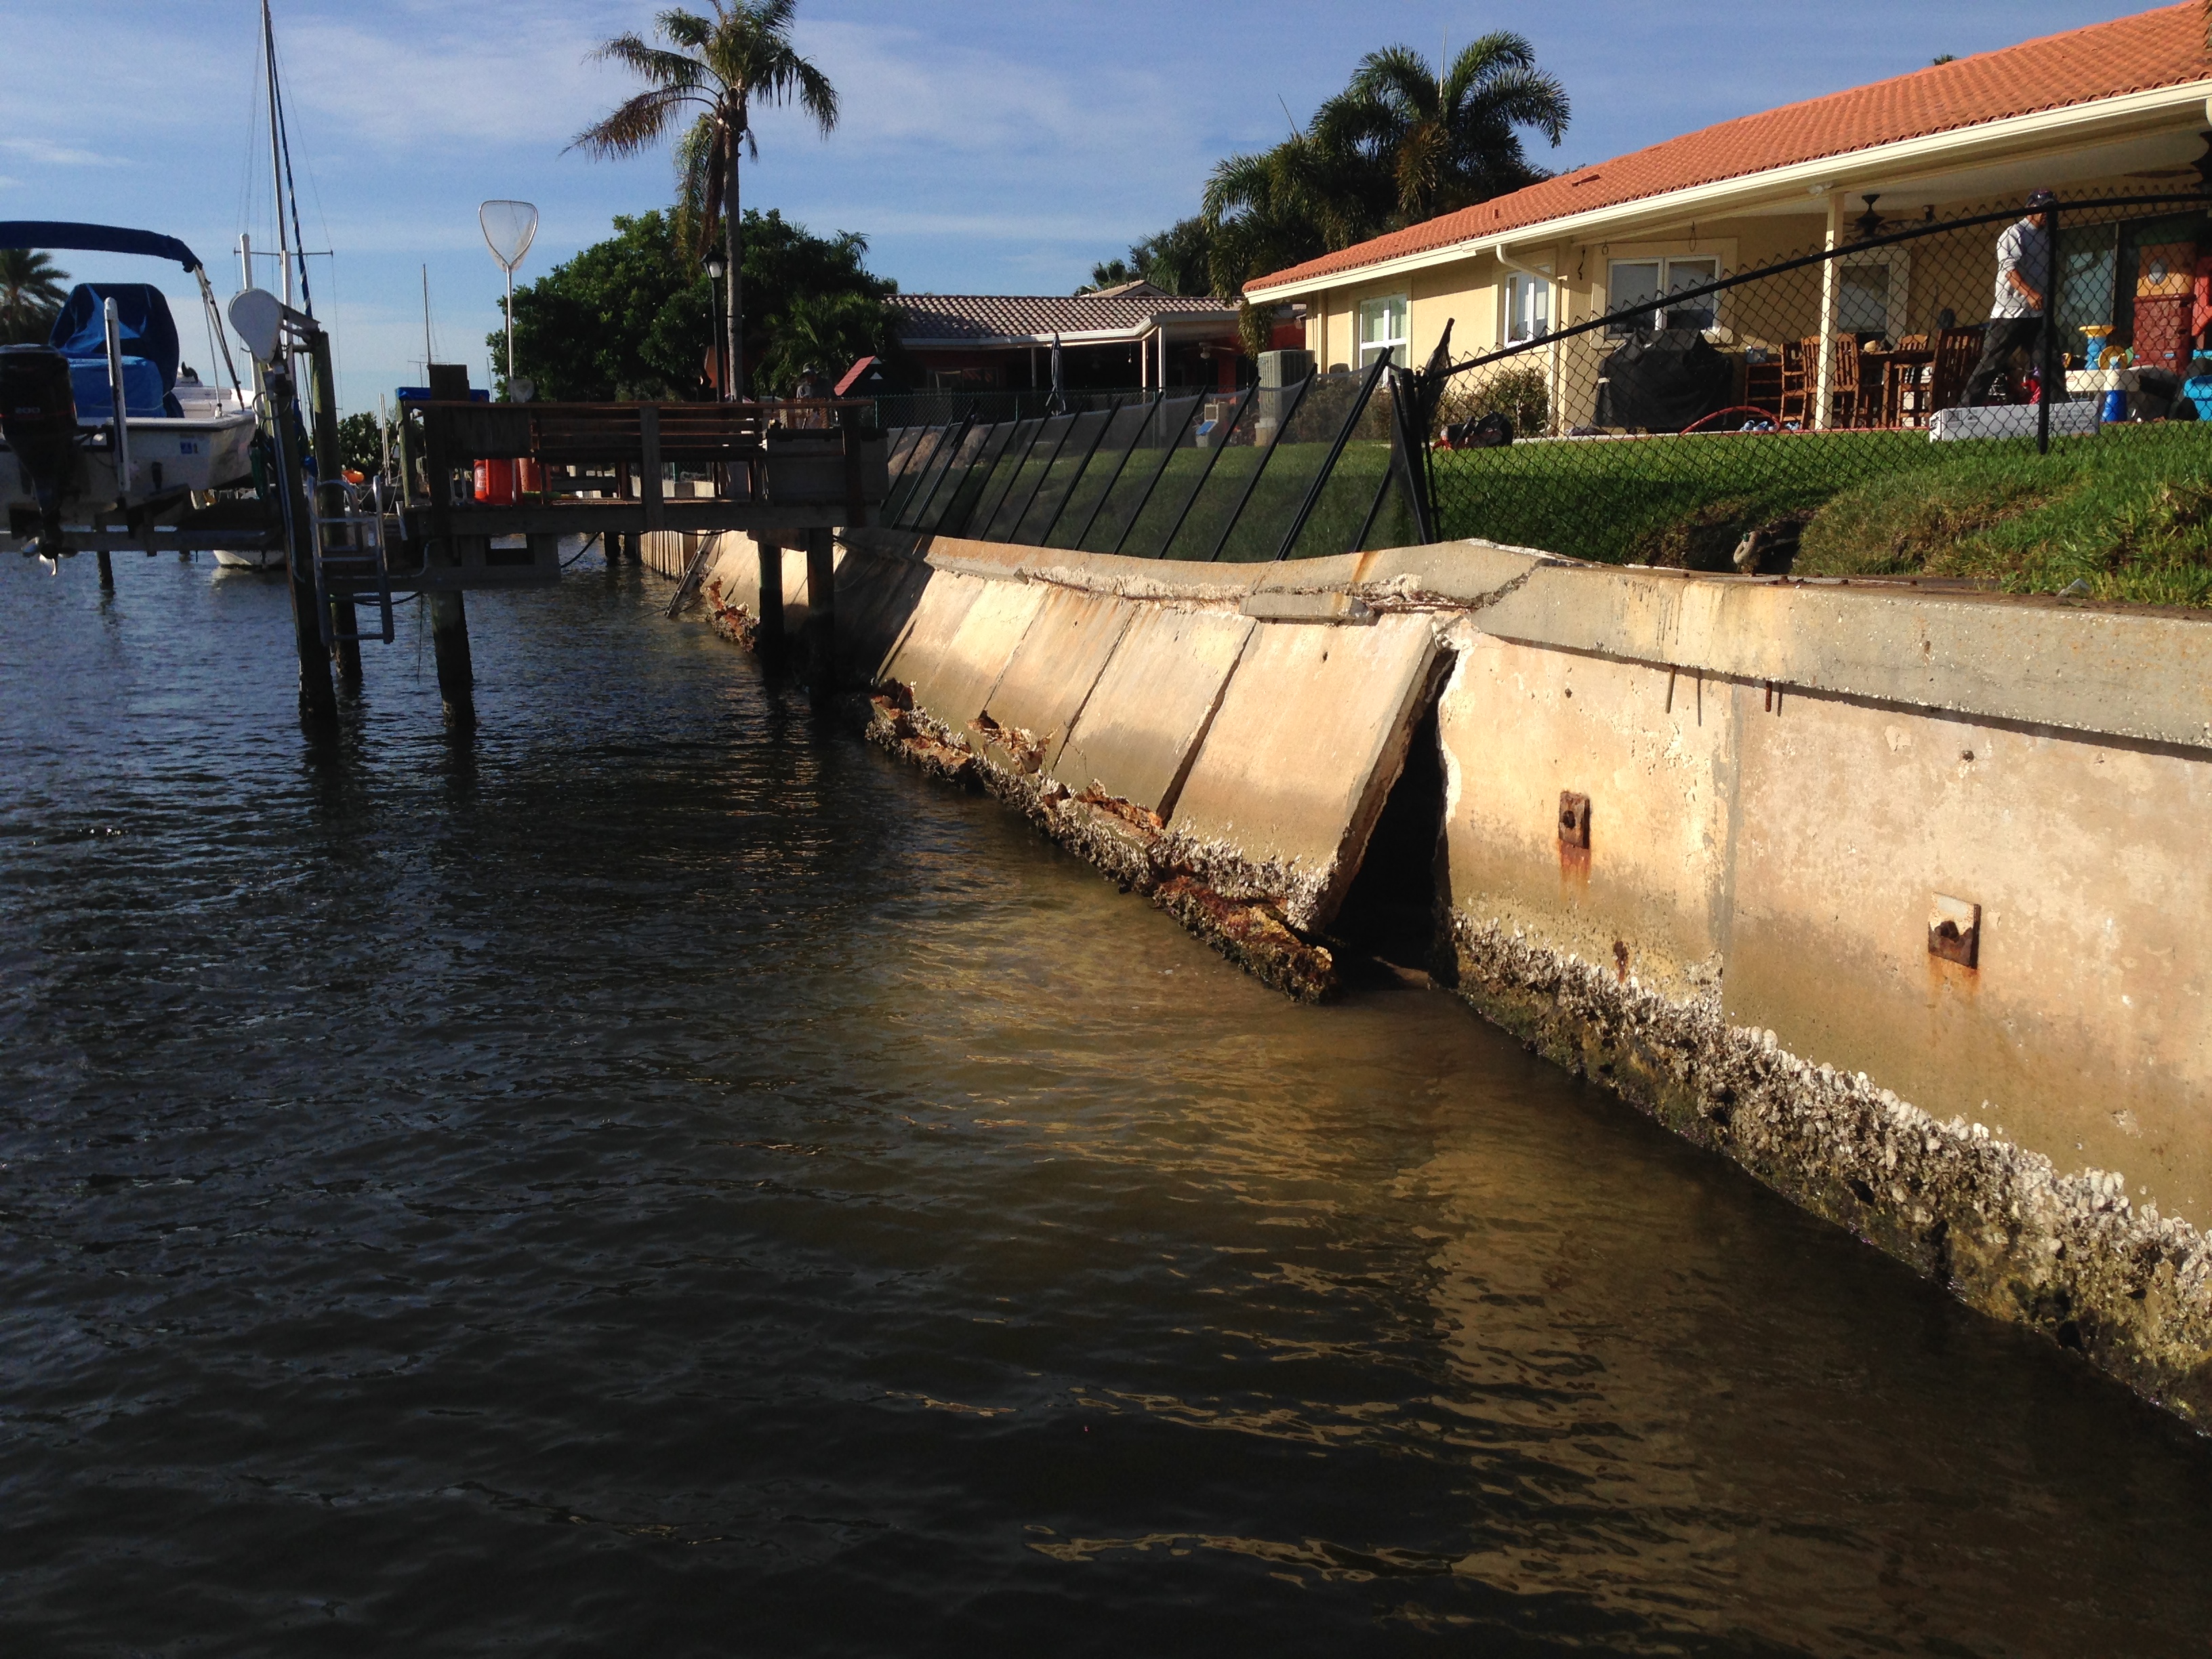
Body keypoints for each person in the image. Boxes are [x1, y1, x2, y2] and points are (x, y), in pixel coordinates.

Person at [1963, 190, 2055, 406]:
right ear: (2029, 209)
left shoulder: (2048, 237)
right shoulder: (2014, 234)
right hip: (2010, 314)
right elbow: (2009, 270)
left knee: (2051, 362)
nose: (2047, 214)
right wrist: (2030, 294)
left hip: (2037, 314)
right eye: (2042, 208)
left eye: (2051, 209)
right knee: (1992, 363)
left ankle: (2059, 407)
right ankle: (1966, 408)